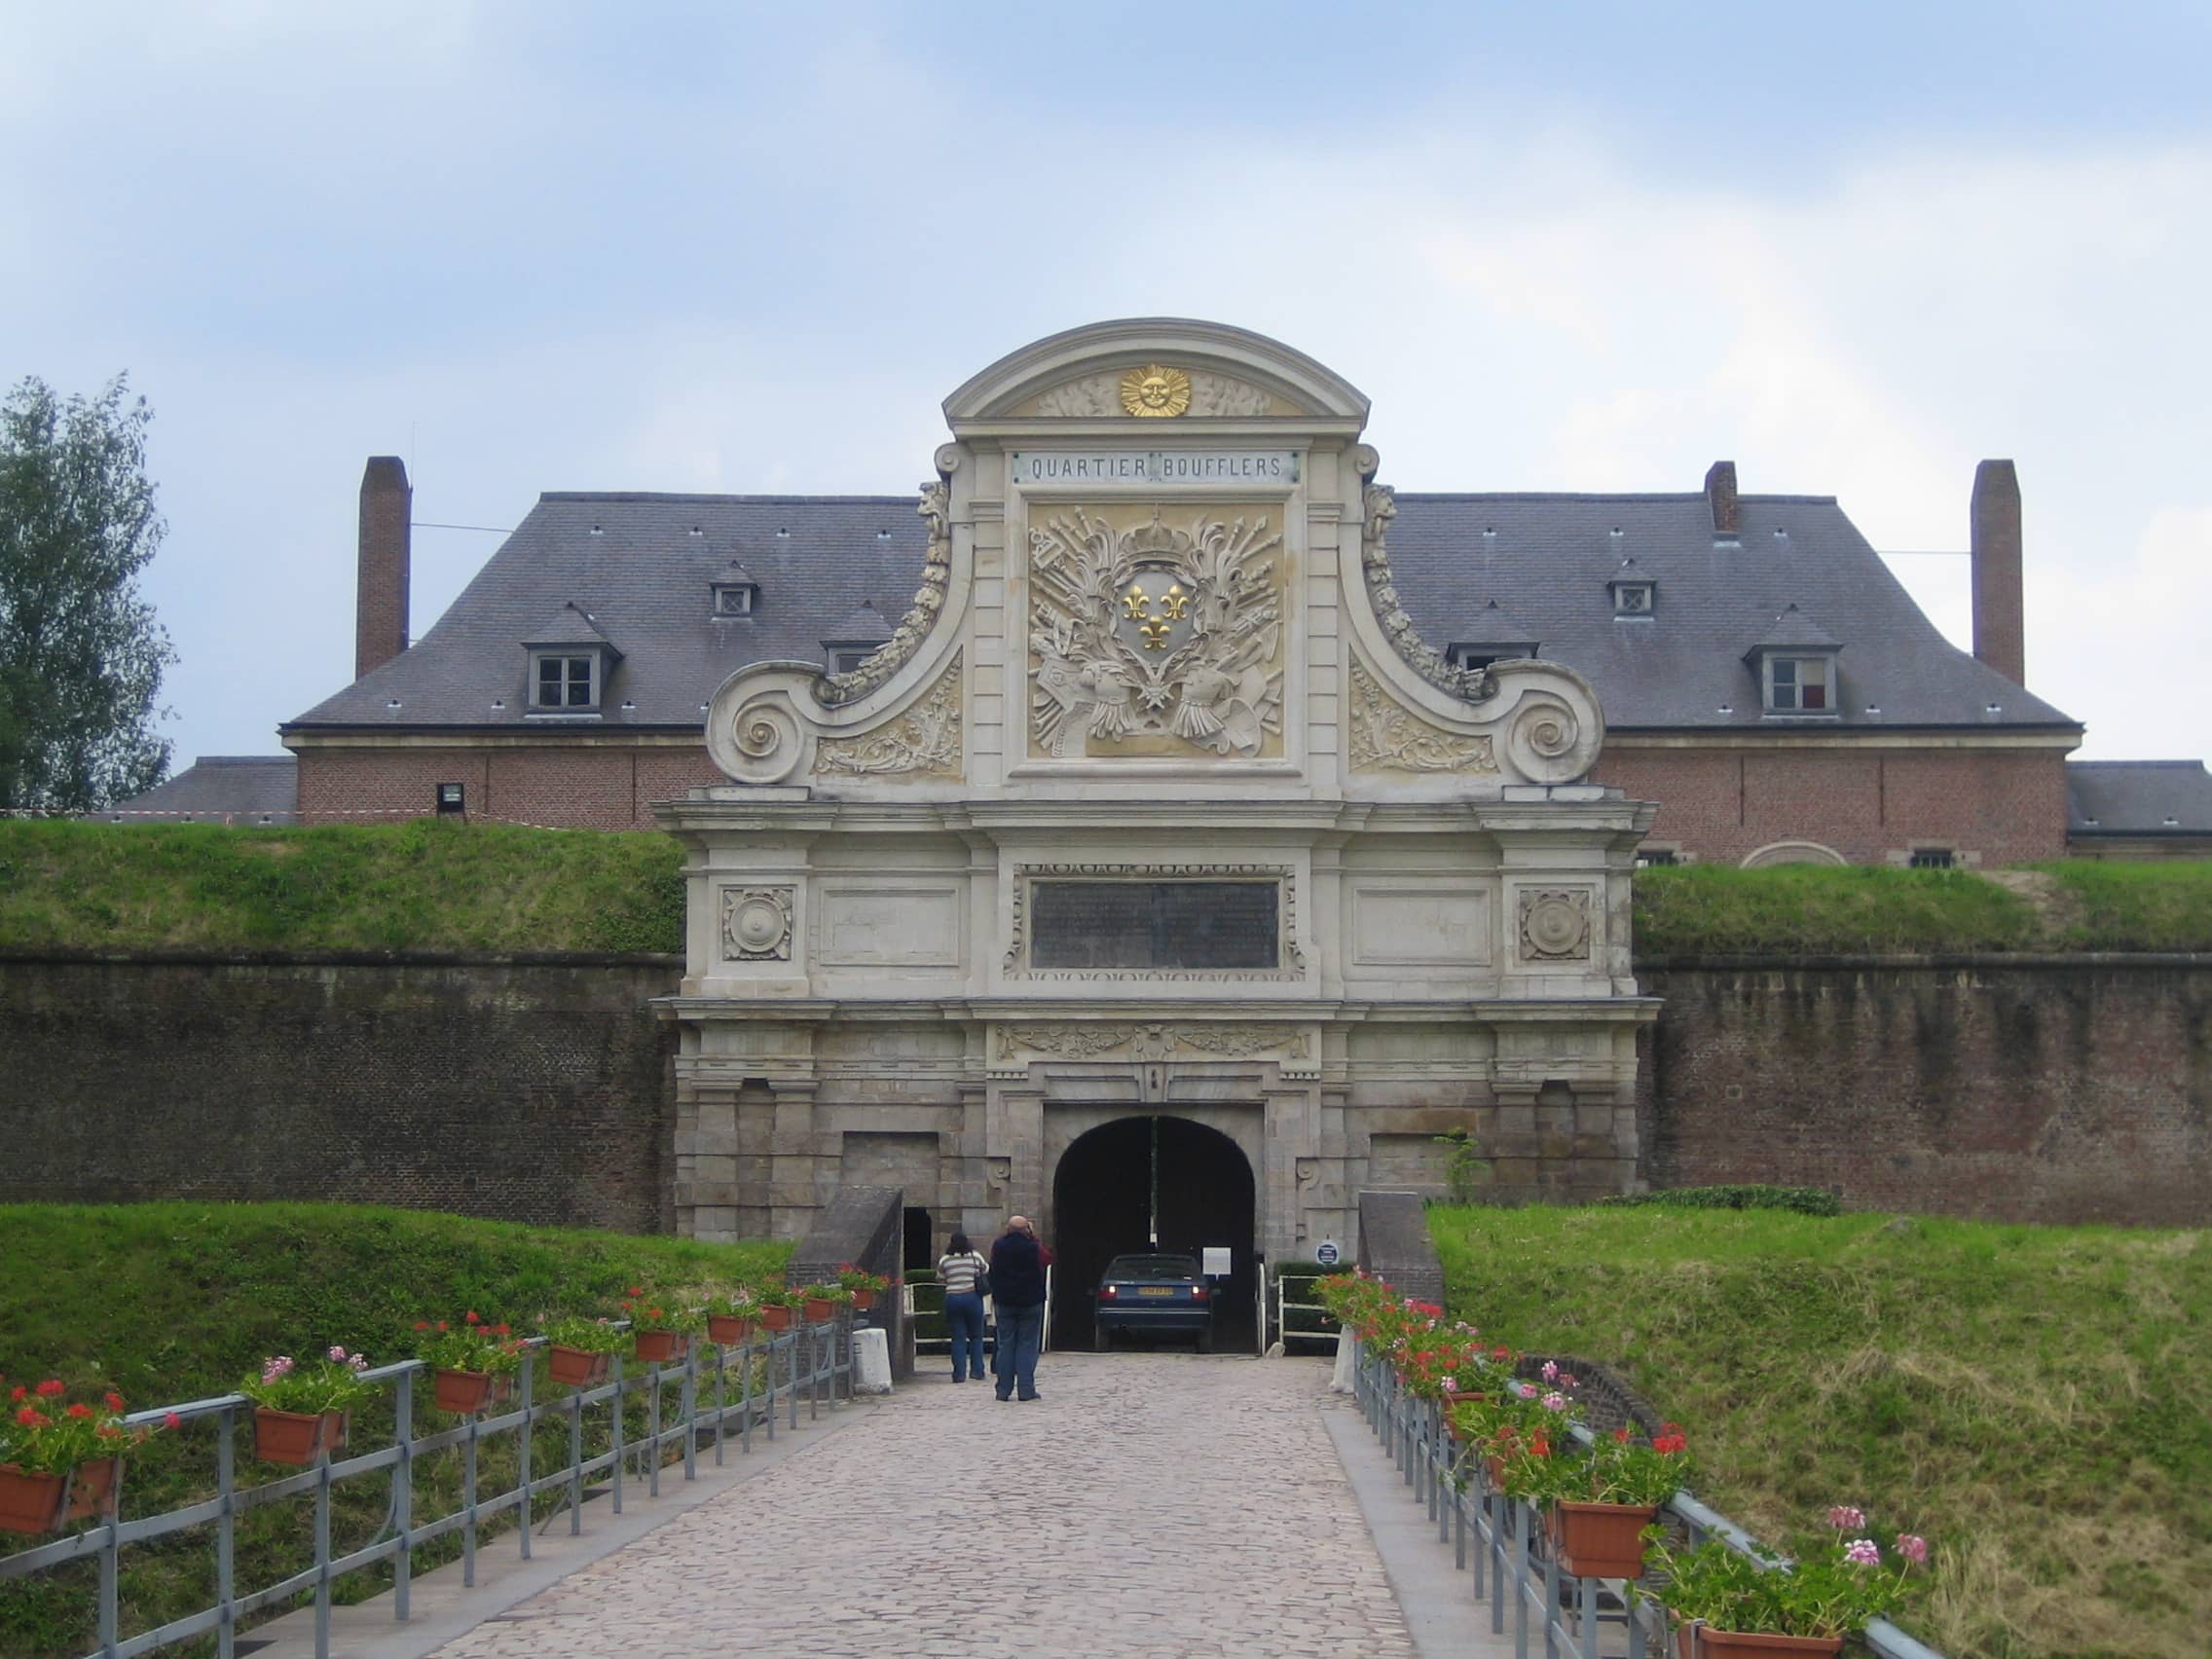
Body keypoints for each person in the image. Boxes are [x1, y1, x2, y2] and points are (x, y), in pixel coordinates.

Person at [987, 1214, 1049, 1401]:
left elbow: (992, 1267)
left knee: (1005, 1345)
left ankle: (1003, 1390)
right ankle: (1026, 1389)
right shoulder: (1033, 1247)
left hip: (1005, 1301)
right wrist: (1033, 1237)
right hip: (1030, 1301)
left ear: (1008, 1229)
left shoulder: (998, 1246)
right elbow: (1047, 1259)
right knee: (1027, 1346)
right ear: (1026, 1230)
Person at [937, 1232, 989, 1382]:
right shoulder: (975, 1256)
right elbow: (985, 1269)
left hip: (953, 1298)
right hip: (972, 1297)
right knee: (976, 1336)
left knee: (958, 1337)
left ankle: (959, 1374)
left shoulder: (945, 1260)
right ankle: (977, 1371)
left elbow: (940, 1278)